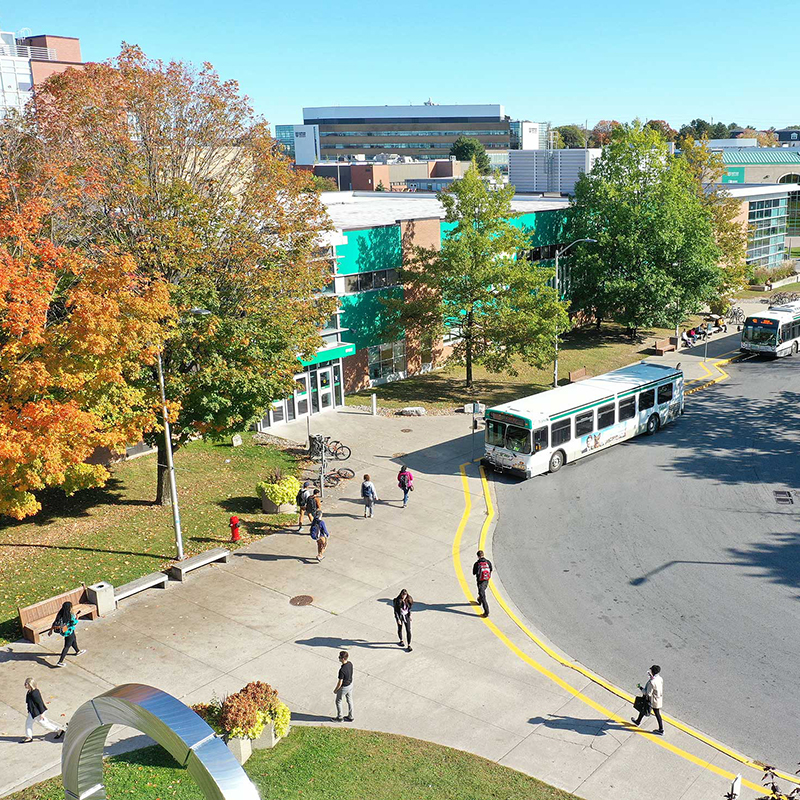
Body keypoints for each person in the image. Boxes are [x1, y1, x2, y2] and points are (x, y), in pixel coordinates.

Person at [22, 678, 65, 743]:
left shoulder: (34, 693)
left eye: (26, 683)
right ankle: (29, 737)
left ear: (30, 685)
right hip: (32, 712)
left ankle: (59, 730)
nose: (24, 684)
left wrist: (42, 713)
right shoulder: (29, 692)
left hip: (37, 713)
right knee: (28, 723)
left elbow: (40, 703)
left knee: (45, 724)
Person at [631, 665, 664, 735]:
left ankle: (661, 729)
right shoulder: (660, 678)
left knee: (648, 709)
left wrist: (640, 687)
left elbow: (648, 693)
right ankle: (638, 721)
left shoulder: (652, 682)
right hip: (658, 698)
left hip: (652, 700)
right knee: (648, 710)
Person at [50, 601, 86, 667]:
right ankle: (60, 661)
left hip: (65, 631)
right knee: (67, 646)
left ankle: (77, 651)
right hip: (69, 632)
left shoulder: (60, 614)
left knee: (74, 640)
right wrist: (77, 617)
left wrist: (50, 630)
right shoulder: (70, 615)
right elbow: (74, 623)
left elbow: (55, 622)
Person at [332, 650, 354, 722]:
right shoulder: (350, 664)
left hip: (344, 687)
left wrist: (336, 690)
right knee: (349, 700)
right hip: (350, 685)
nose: (339, 658)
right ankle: (351, 716)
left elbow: (340, 682)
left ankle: (340, 717)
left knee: (338, 701)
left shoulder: (342, 670)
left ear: (343, 659)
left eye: (340, 657)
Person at [472, 550, 493, 617]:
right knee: (482, 592)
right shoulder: (488, 562)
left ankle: (486, 612)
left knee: (482, 595)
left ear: (478, 556)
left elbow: (474, 573)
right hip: (486, 580)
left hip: (480, 581)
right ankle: (479, 599)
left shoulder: (477, 564)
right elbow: (491, 569)